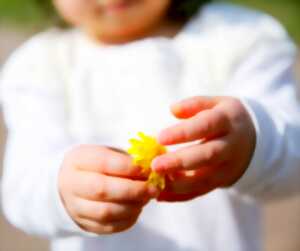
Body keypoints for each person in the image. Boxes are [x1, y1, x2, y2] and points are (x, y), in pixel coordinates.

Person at [1, 0, 300, 251]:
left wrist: (254, 141)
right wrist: (61, 190)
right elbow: (20, 189)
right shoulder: (39, 66)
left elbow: (293, 158)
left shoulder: (240, 38)